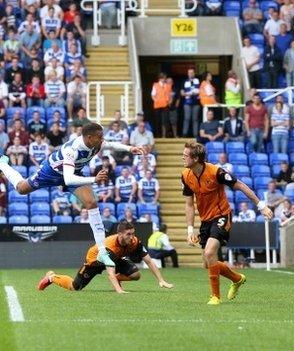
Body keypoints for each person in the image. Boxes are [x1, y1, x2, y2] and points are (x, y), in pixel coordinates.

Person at [0, 123, 146, 266]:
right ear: (89, 138)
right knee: (21, 189)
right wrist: (94, 179)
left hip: (73, 172)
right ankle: (3, 164)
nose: (102, 140)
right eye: (99, 137)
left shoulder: (97, 143)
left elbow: (111, 145)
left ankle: (102, 252)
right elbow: (68, 179)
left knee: (91, 203)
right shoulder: (73, 150)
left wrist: (130, 148)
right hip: (51, 172)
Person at [183, 141, 273, 305]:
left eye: (185, 155)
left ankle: (215, 297)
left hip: (222, 215)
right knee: (207, 263)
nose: (183, 157)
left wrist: (261, 206)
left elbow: (240, 185)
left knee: (210, 253)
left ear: (196, 158)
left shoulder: (215, 171)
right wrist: (190, 230)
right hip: (205, 220)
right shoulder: (186, 175)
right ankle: (237, 279)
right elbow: (189, 205)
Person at [38, 221, 173, 294]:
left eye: (132, 233)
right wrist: (119, 291)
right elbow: (110, 271)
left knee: (136, 274)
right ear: (119, 234)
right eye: (128, 234)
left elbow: (149, 260)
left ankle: (117, 279)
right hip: (94, 261)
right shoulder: (110, 246)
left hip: (116, 259)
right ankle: (52, 277)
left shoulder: (134, 242)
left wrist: (161, 280)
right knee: (75, 287)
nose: (131, 237)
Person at [151, 73, 172, 138]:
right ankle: (158, 135)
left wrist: (170, 101)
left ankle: (165, 135)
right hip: (158, 105)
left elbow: (170, 95)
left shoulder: (168, 85)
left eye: (164, 78)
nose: (163, 79)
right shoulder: (155, 85)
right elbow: (153, 95)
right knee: (158, 121)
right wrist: (156, 100)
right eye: (162, 78)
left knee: (165, 121)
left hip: (165, 105)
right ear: (159, 79)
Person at [181, 68, 201, 138]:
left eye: (192, 72)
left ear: (194, 73)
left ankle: (195, 135)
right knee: (187, 118)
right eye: (189, 73)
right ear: (187, 74)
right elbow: (182, 93)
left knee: (195, 119)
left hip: (196, 103)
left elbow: (202, 90)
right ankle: (184, 134)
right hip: (187, 103)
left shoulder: (198, 81)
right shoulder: (185, 81)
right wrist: (189, 94)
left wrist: (197, 93)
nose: (191, 74)